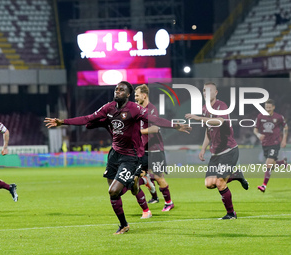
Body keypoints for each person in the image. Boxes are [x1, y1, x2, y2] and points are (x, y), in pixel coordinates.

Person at [45, 81, 190, 234]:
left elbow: (155, 120)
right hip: (114, 155)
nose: (118, 91)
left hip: (130, 157)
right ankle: (133, 185)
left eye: (122, 90)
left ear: (128, 95)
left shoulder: (135, 109)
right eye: (116, 89)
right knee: (116, 192)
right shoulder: (109, 107)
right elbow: (88, 119)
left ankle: (124, 224)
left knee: (113, 192)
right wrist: (62, 122)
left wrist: (175, 125)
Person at [185, 82, 248, 220]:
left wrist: (198, 118)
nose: (205, 93)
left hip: (229, 150)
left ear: (215, 93)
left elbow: (219, 121)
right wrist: (203, 148)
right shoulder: (204, 109)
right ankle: (236, 175)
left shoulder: (221, 106)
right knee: (209, 184)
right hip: (215, 153)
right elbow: (208, 131)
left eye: (209, 91)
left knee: (220, 182)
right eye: (203, 91)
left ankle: (231, 214)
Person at [85, 118, 153, 220]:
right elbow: (88, 124)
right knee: (116, 191)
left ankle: (146, 211)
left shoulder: (133, 118)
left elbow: (154, 126)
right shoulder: (110, 120)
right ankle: (143, 180)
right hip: (116, 156)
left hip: (132, 155)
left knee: (132, 185)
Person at [135, 84, 174, 211]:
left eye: (137, 95)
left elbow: (155, 128)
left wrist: (139, 132)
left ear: (144, 95)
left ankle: (169, 202)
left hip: (155, 149)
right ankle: (155, 196)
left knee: (158, 177)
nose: (135, 98)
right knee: (139, 175)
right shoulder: (138, 110)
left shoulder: (151, 109)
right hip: (143, 150)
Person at [254, 99, 288, 192]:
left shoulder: (279, 117)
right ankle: (282, 163)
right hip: (265, 144)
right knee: (272, 165)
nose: (267, 109)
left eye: (269, 107)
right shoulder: (260, 116)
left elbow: (285, 127)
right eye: (266, 107)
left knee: (268, 164)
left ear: (273, 107)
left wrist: (284, 139)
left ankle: (264, 186)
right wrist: (258, 135)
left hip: (275, 143)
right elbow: (255, 129)